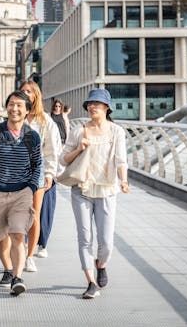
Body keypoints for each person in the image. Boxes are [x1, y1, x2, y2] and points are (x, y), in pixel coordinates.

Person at [61, 88, 129, 299]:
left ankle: (101, 264)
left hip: (107, 189)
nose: (92, 107)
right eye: (90, 104)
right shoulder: (78, 131)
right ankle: (91, 282)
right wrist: (80, 148)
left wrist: (124, 180)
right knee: (85, 237)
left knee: (106, 242)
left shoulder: (116, 132)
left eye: (96, 104)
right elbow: (64, 159)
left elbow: (121, 160)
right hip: (82, 188)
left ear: (106, 108)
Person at [0, 90, 42, 296]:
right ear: (7, 107)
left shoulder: (32, 136)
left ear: (27, 110)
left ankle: (17, 277)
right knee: (1, 237)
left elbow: (37, 164)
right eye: (12, 104)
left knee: (17, 234)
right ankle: (7, 268)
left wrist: (31, 188)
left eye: (20, 105)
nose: (15, 109)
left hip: (22, 193)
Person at [19, 80, 62, 272]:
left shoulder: (45, 120)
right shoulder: (15, 117)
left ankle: (29, 256)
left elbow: (52, 150)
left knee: (34, 214)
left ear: (36, 95)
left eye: (30, 91)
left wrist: (50, 173)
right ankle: (17, 253)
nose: (26, 94)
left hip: (37, 171)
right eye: (23, 91)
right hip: (15, 172)